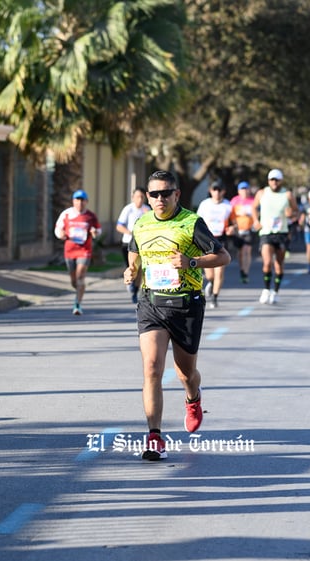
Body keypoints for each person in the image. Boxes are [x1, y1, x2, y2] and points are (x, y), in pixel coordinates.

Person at [123, 171, 230, 461]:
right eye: (154, 194)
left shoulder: (191, 222)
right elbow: (135, 251)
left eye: (165, 193)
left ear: (176, 194)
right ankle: (154, 436)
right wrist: (132, 270)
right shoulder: (141, 223)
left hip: (185, 305)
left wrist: (191, 261)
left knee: (185, 373)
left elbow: (223, 257)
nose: (160, 199)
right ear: (147, 196)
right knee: (152, 368)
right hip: (151, 303)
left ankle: (193, 398)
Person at [253, 168, 298, 304]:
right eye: (272, 179)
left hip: (282, 233)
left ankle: (276, 291)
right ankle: (266, 289)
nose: (274, 182)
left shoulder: (288, 194)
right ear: (268, 181)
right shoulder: (262, 193)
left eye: (277, 180)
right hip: (266, 232)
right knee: (267, 263)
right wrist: (256, 220)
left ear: (281, 181)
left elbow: (296, 211)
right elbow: (253, 207)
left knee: (279, 264)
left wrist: (292, 215)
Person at [54, 189, 101, 315]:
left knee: (80, 276)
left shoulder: (90, 216)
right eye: (77, 200)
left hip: (84, 250)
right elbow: (58, 228)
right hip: (70, 250)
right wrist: (61, 234)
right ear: (73, 201)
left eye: (82, 200)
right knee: (74, 280)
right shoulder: (67, 214)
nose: (80, 203)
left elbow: (98, 230)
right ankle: (78, 288)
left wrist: (94, 233)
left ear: (87, 202)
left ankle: (77, 304)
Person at [196, 181, 236, 309]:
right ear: (211, 191)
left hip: (221, 240)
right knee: (209, 274)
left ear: (223, 191)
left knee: (219, 272)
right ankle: (211, 283)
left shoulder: (228, 205)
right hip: (206, 241)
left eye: (219, 190)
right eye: (214, 190)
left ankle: (214, 297)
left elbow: (234, 222)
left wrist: (232, 228)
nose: (217, 192)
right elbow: (196, 221)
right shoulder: (204, 204)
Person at [116, 188, 150, 303]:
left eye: (142, 197)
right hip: (128, 243)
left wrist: (148, 216)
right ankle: (130, 282)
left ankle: (135, 291)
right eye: (137, 197)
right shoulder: (128, 209)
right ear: (133, 197)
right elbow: (119, 226)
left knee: (139, 268)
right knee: (130, 266)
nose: (140, 199)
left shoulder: (147, 210)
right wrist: (131, 233)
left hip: (142, 244)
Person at [229, 181, 257, 283]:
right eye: (242, 189)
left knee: (247, 250)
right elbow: (230, 215)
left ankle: (246, 272)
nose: (244, 191)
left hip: (249, 229)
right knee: (240, 252)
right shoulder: (234, 201)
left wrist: (251, 216)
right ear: (238, 191)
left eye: (246, 189)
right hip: (238, 230)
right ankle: (242, 270)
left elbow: (257, 214)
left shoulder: (253, 201)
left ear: (248, 190)